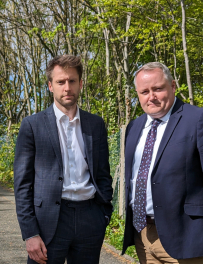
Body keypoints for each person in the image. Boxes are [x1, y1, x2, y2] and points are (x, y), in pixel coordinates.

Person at [14, 55, 113, 264]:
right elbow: (22, 185)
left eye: (72, 81)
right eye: (60, 82)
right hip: (48, 222)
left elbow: (103, 174)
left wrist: (103, 216)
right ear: (50, 86)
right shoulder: (32, 125)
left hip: (89, 219)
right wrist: (30, 233)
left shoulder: (95, 125)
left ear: (81, 84)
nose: (67, 87)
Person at [122, 62, 203, 263]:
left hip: (186, 237)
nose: (152, 97)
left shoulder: (196, 119)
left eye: (158, 88)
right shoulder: (134, 127)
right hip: (143, 237)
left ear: (173, 86)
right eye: (144, 91)